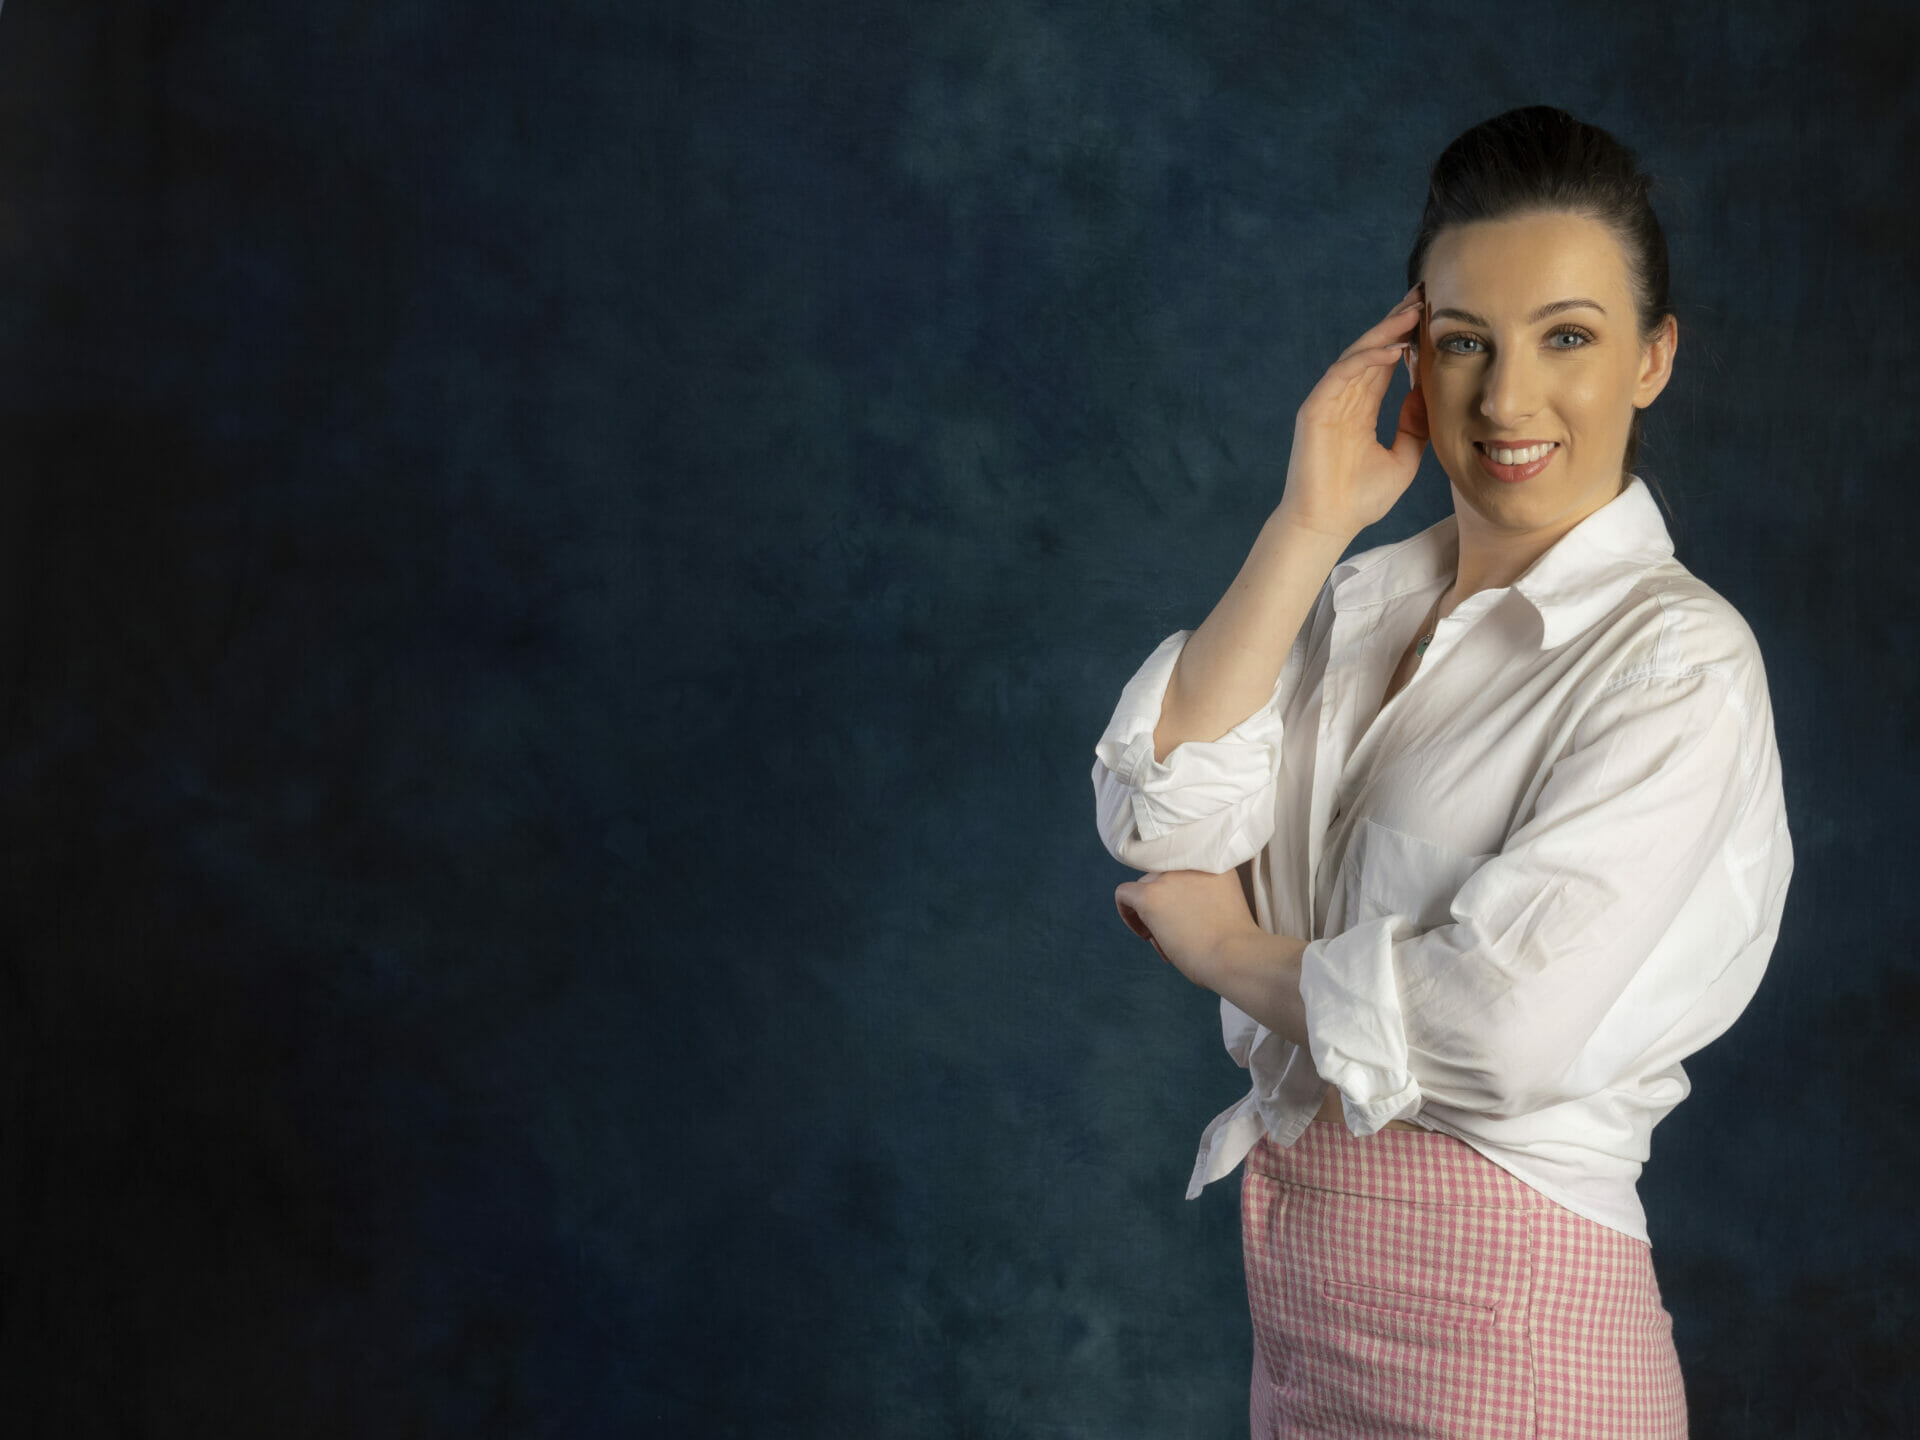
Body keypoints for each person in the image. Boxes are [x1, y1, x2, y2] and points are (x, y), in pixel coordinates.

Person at [1090, 106, 1793, 1438]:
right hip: (1304, 1345)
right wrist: (1307, 523)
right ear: (1413, 357)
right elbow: (1157, 810)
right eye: (1464, 342)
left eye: (1567, 339)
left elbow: (1497, 1030)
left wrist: (1232, 956)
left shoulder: (1677, 663)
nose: (1507, 399)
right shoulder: (1358, 609)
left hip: (1514, 1354)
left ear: (1654, 358)